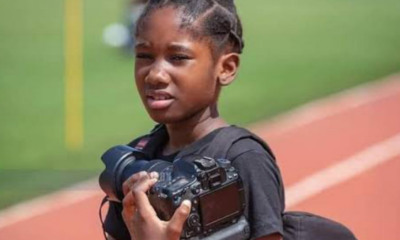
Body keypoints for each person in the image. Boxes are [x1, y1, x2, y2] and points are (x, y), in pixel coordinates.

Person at [102, 0, 285, 240]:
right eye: (144, 55)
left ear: (226, 68)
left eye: (177, 57)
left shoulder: (243, 159)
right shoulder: (137, 161)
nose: (155, 74)